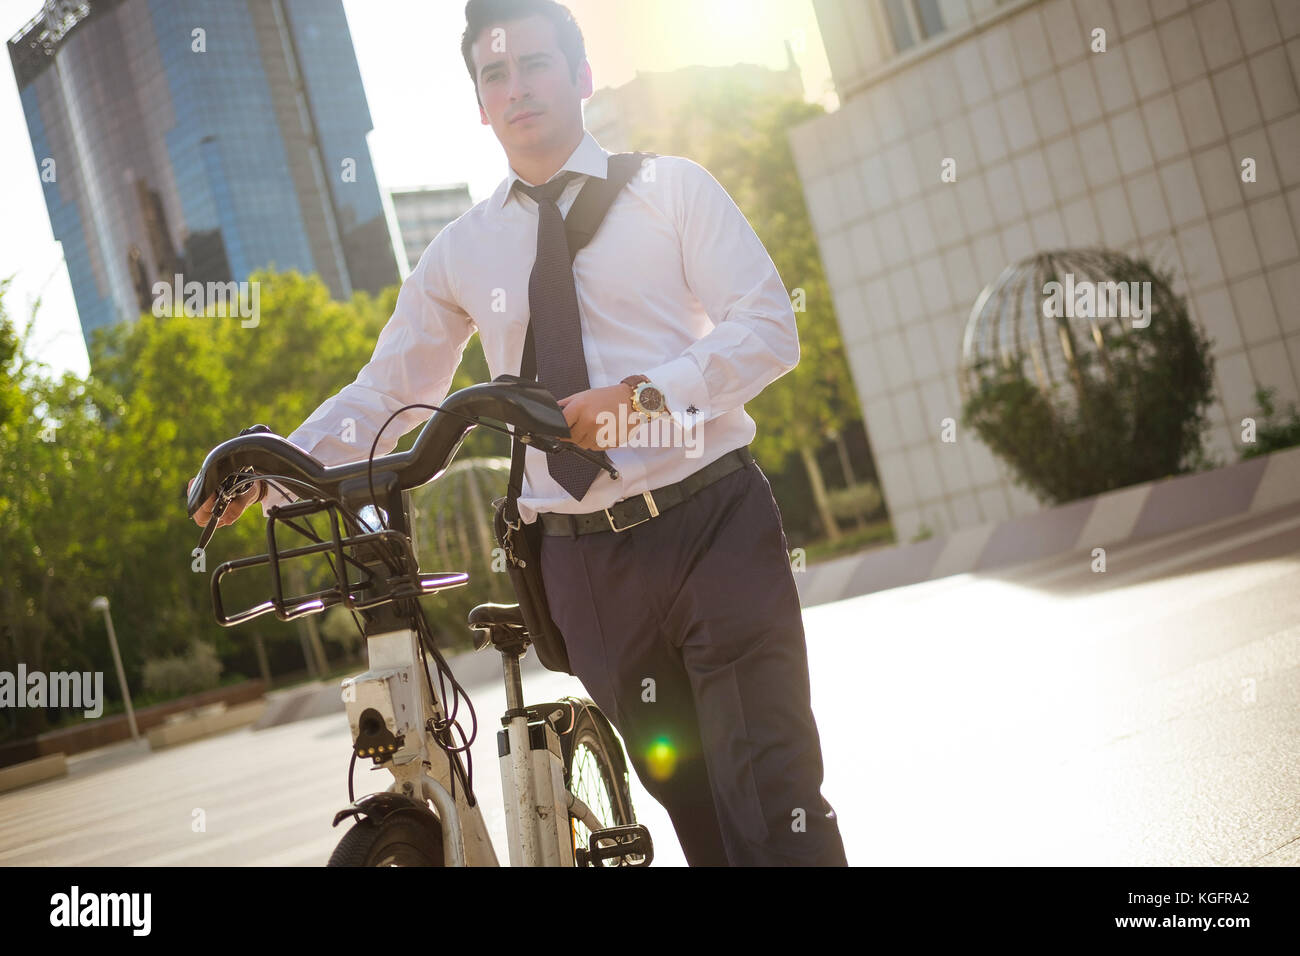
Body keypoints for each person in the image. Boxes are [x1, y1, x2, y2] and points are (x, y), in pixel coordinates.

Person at [192, 0, 846, 867]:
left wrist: (644, 396)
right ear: (479, 102)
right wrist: (271, 473)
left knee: (766, 793)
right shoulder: (463, 249)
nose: (516, 87)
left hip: (711, 526)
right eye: (494, 74)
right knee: (695, 806)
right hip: (583, 565)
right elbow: (391, 388)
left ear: (579, 77)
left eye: (534, 64)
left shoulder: (673, 189)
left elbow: (767, 326)